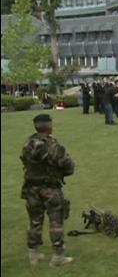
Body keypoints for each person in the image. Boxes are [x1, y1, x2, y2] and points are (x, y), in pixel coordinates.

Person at [20, 114, 75, 266]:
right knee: (56, 221)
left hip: (31, 188)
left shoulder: (27, 144)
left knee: (34, 221)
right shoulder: (52, 145)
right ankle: (58, 256)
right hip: (50, 188)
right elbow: (69, 166)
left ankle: (34, 254)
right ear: (49, 125)